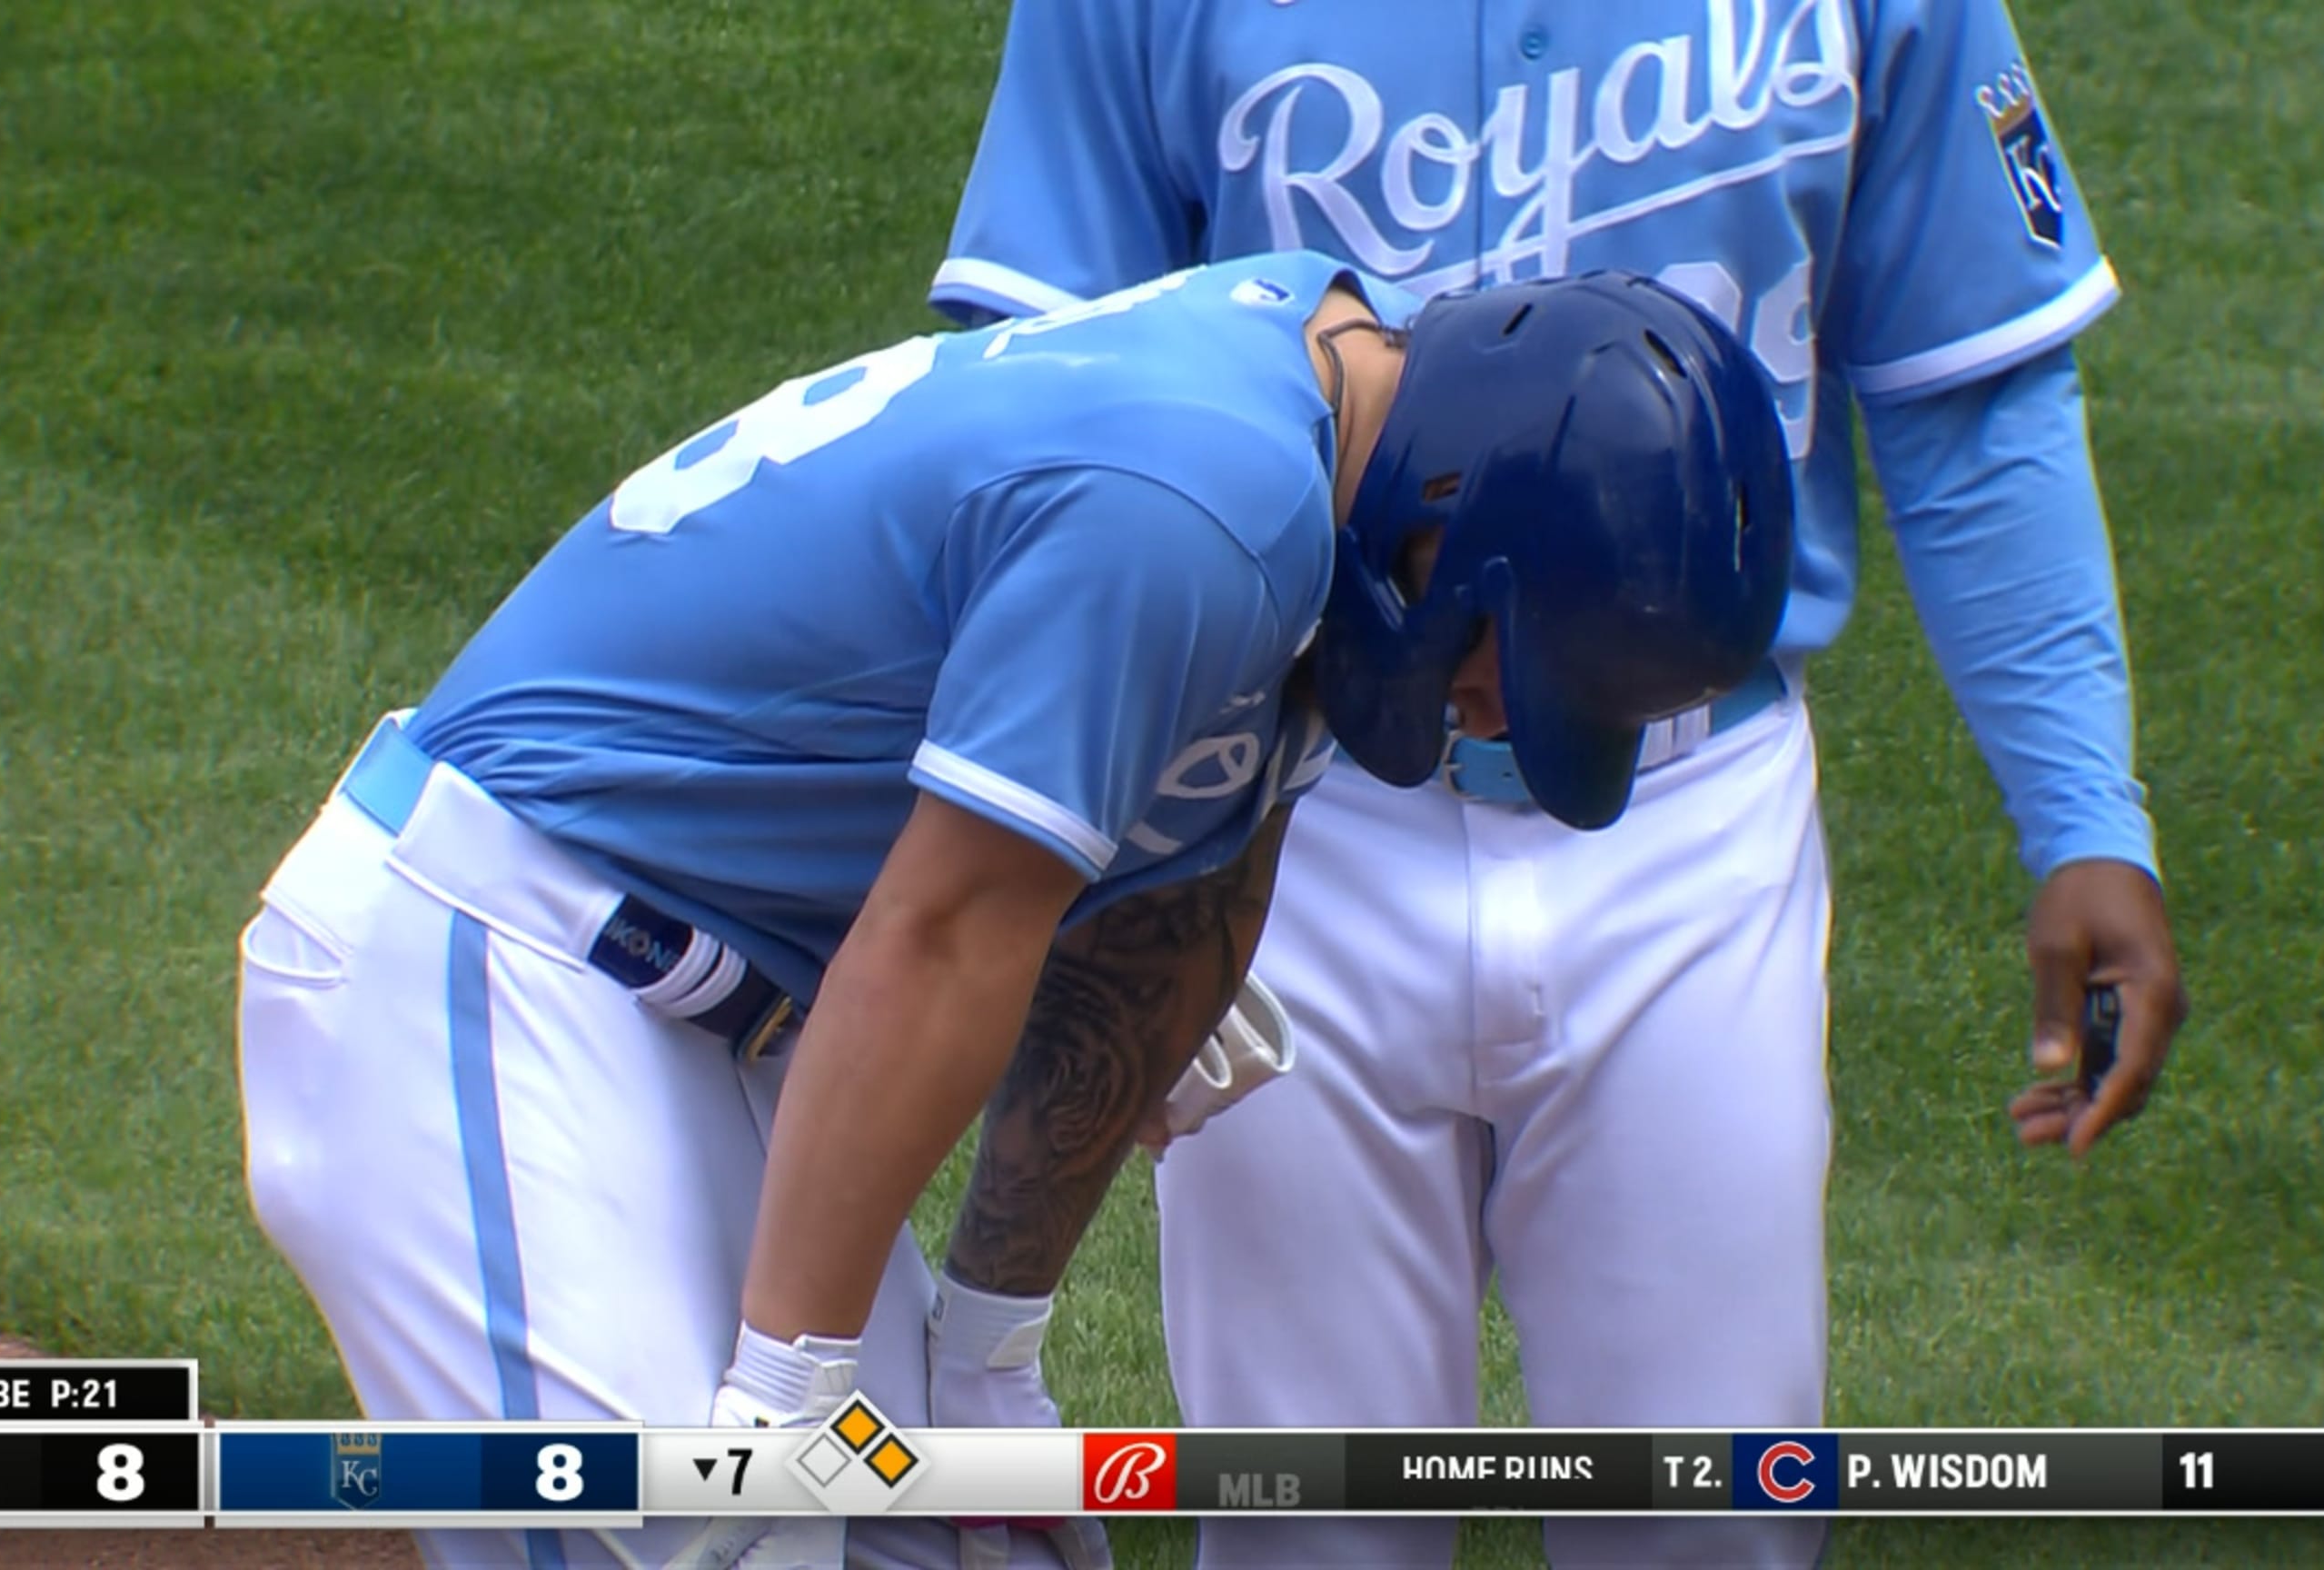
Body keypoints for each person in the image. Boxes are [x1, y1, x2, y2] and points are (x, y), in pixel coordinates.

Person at [233, 251, 1795, 1570]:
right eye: (1509, 667)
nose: (1494, 719)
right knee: (701, 1533)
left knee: (953, 1547)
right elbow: (946, 938)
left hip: (732, 1029)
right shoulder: (1193, 507)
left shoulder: (1340, 447)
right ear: (1461, 527)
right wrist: (788, 1404)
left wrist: (986, 1362)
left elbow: (1165, 927)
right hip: (492, 964)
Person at [932, 3, 2194, 1567]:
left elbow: (1973, 392)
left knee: (1712, 1527)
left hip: (1689, 833)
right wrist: (1106, 848)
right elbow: (1045, 396)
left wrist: (2084, 814)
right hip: (1283, 828)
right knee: (1308, 1534)